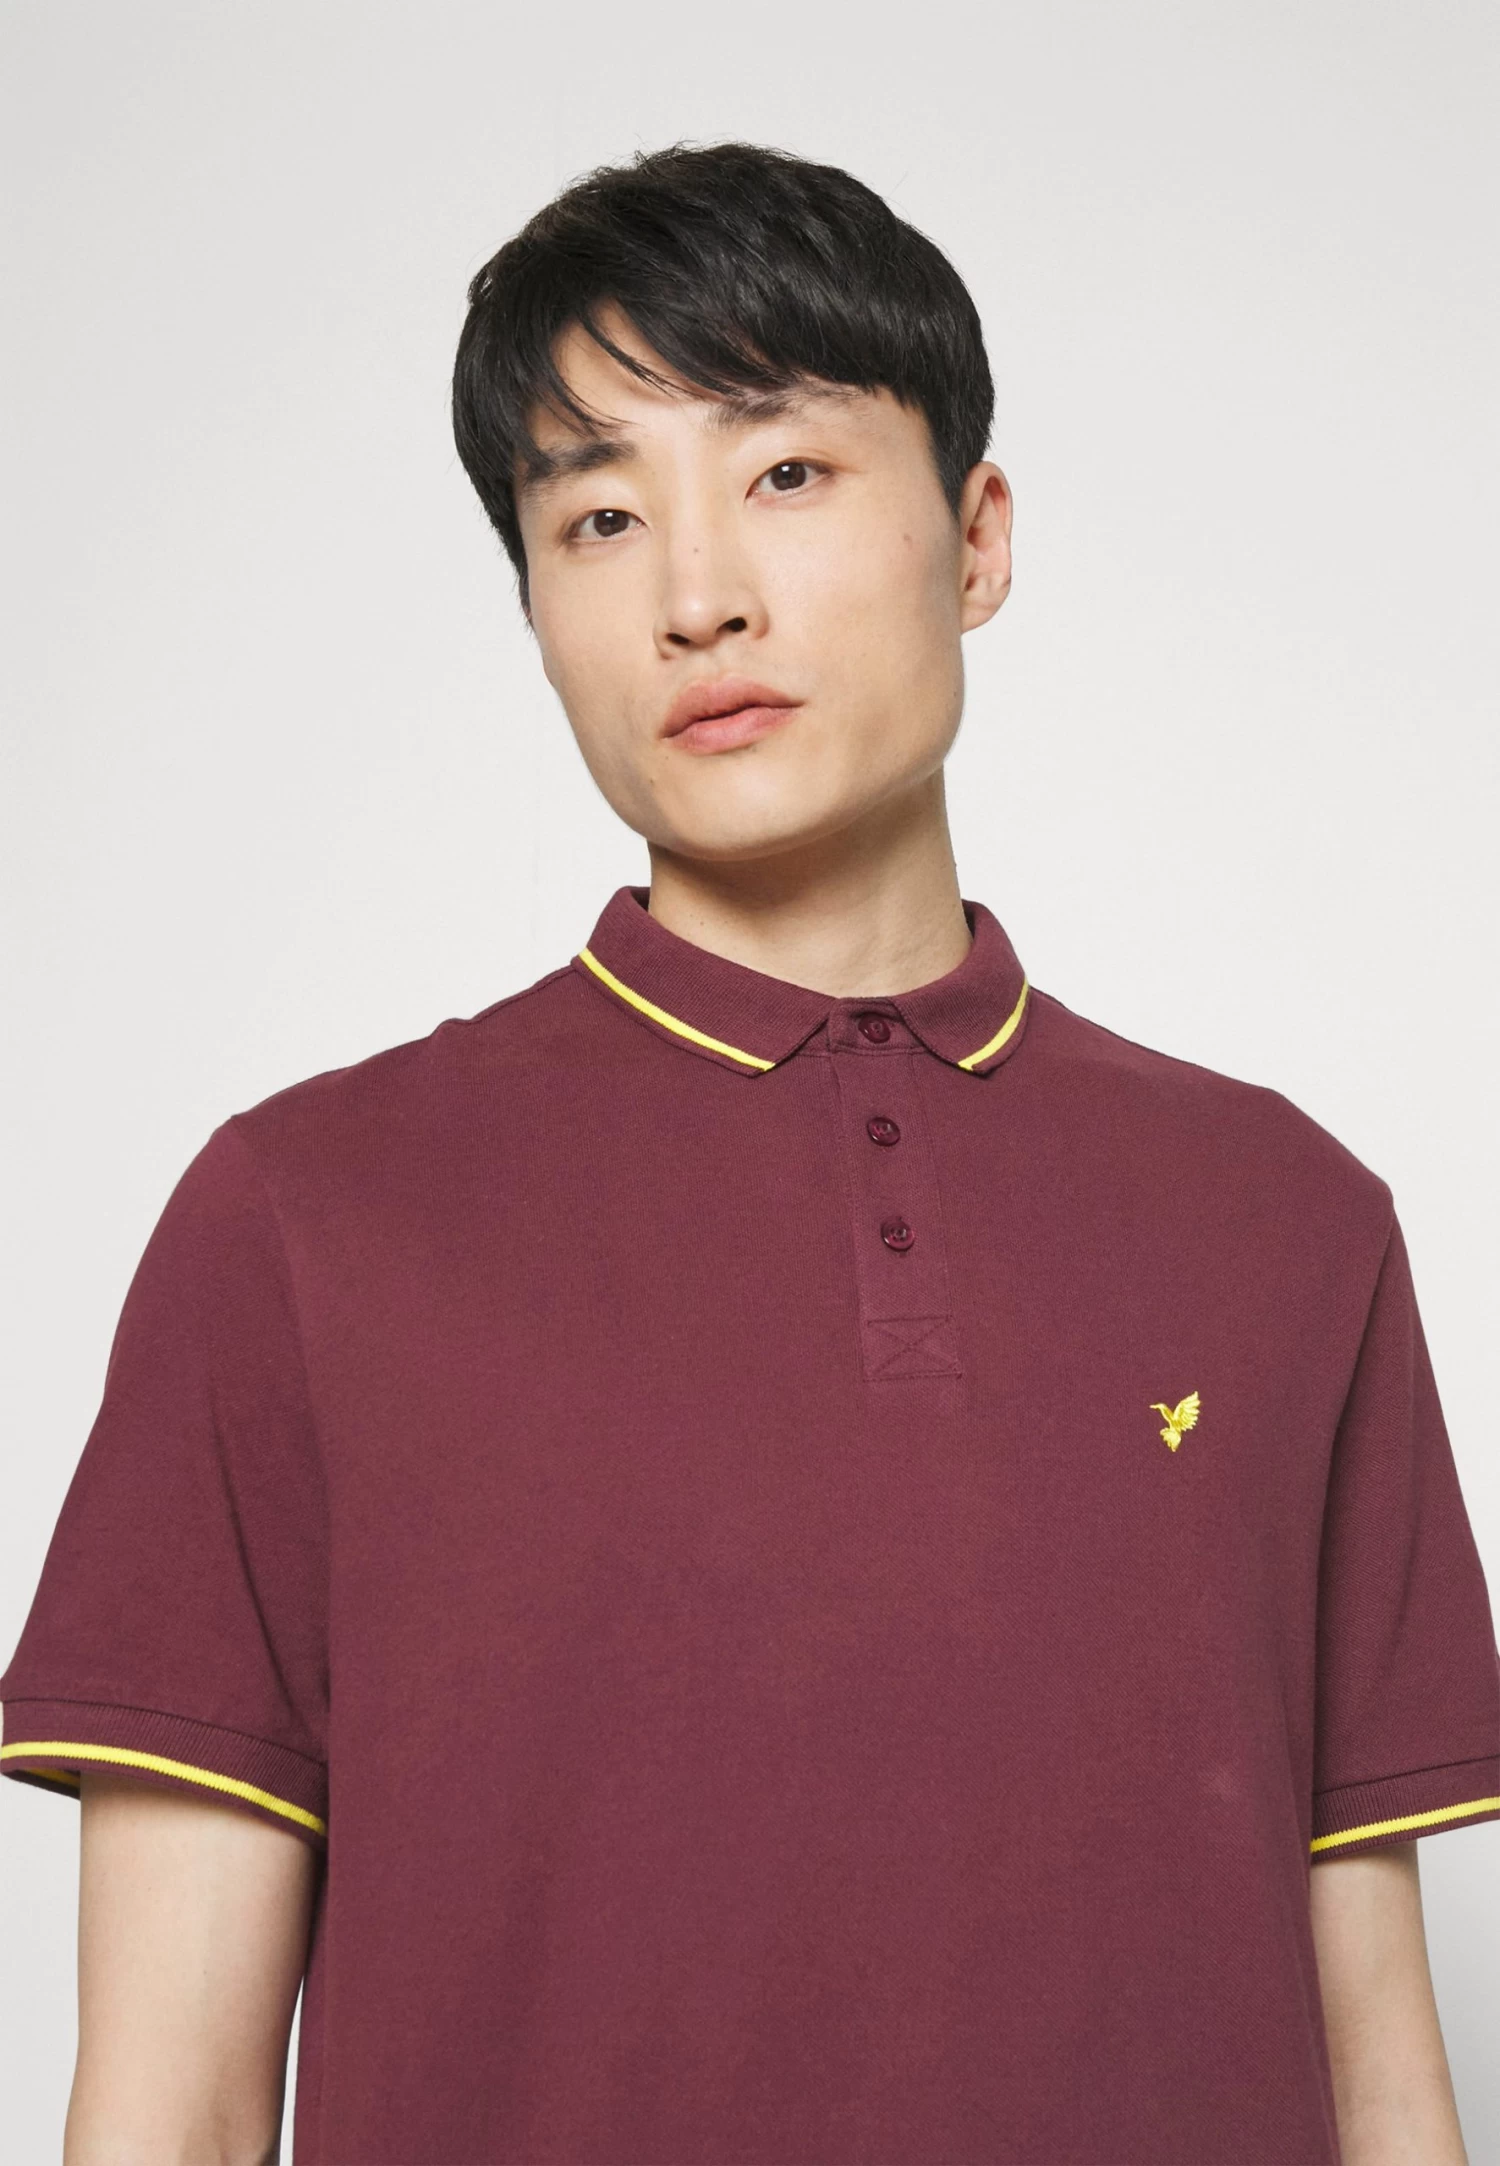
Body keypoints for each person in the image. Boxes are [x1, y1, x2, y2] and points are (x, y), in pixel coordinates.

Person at [2, 140, 1496, 2166]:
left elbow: (1380, 2068)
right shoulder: (303, 1222)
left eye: (785, 473)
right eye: (600, 517)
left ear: (976, 537)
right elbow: (161, 2111)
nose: (697, 595)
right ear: (535, 609)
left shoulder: (1287, 1220)